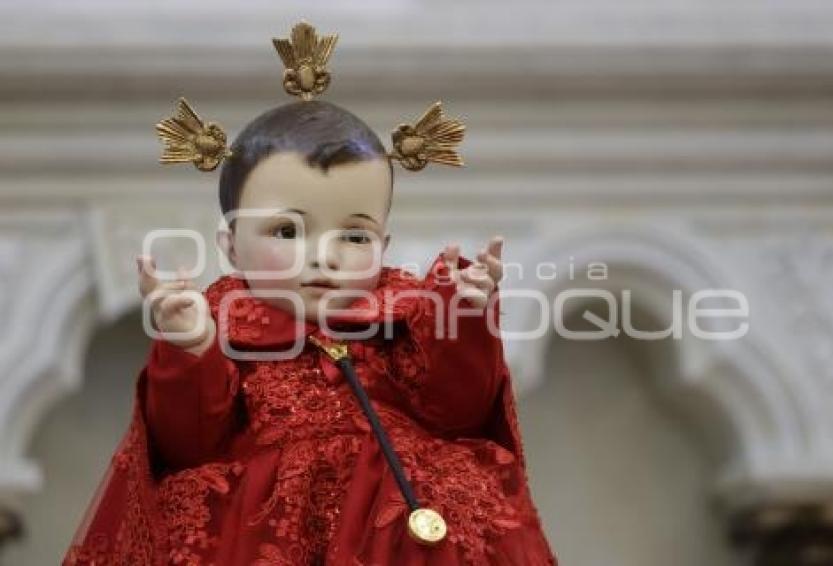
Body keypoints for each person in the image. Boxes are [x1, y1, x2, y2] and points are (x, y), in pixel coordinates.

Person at [64, 21, 557, 565]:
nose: (324, 255)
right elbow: (186, 445)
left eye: (353, 234)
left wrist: (464, 315)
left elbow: (459, 410)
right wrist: (189, 349)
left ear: (384, 242)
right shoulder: (225, 330)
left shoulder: (407, 318)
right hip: (263, 536)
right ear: (231, 245)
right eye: (287, 231)